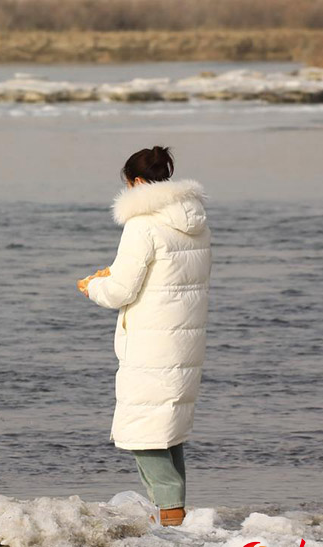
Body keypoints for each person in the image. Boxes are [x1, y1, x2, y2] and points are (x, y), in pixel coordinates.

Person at [78, 146, 211, 527]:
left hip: (153, 340)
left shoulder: (143, 224)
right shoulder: (197, 222)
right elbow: (173, 277)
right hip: (184, 337)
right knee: (167, 428)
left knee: (145, 432)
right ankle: (173, 513)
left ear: (135, 182)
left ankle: (169, 513)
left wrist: (92, 287)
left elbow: (121, 290)